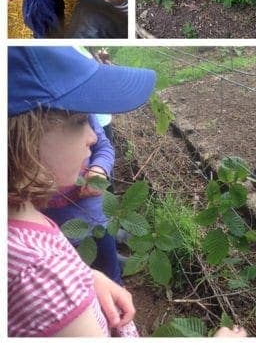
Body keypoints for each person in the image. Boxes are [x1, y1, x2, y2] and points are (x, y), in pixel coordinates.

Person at [8, 46, 157, 336]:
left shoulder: (22, 218)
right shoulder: (40, 272)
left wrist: (86, 277)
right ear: (21, 138)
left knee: (107, 258)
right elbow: (39, 276)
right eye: (78, 122)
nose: (91, 135)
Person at [44, 114, 123, 284]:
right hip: (58, 238)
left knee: (110, 274)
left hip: (98, 221)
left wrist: (99, 169)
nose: (92, 137)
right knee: (77, 281)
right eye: (79, 123)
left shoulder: (84, 112)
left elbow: (103, 146)